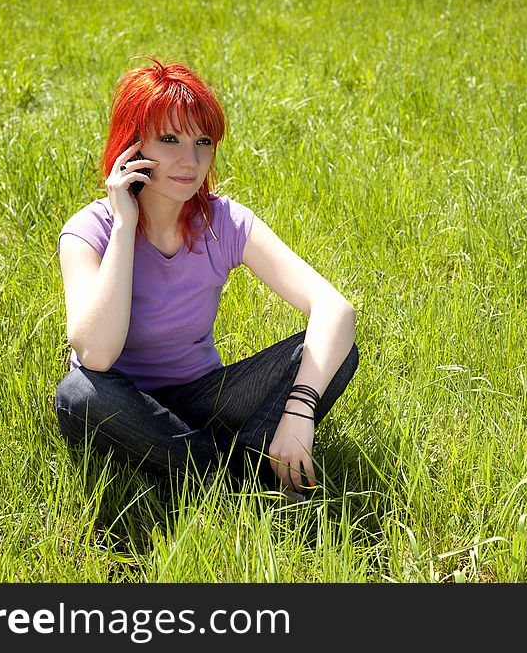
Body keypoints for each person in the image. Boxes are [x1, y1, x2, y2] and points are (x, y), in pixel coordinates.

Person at [53, 58, 358, 495]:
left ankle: (228, 463)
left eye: (202, 141)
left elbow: (335, 309)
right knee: (79, 396)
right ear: (131, 149)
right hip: (126, 404)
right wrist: (124, 225)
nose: (190, 160)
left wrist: (299, 411)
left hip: (206, 397)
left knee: (335, 350)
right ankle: (234, 480)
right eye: (170, 139)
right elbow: (97, 356)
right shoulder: (89, 232)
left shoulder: (223, 221)